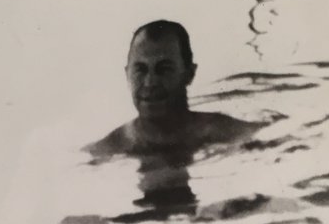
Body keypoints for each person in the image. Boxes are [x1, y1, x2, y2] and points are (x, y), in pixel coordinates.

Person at [86, 20, 263, 158]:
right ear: (127, 74)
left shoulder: (225, 132)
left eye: (164, 69)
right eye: (140, 70)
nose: (150, 82)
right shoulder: (108, 150)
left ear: (189, 74)